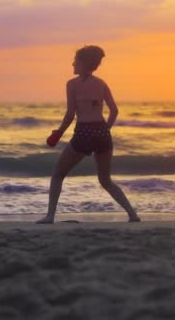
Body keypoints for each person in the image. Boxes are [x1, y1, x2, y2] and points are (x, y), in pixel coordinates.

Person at [37, 45, 140, 224]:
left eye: (75, 61)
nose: (72, 64)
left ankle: (50, 216)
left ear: (83, 63)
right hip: (101, 133)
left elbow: (70, 114)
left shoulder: (72, 84)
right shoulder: (101, 84)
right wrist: (104, 130)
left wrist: (58, 133)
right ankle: (132, 214)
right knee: (105, 180)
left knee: (58, 174)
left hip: (83, 133)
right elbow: (114, 111)